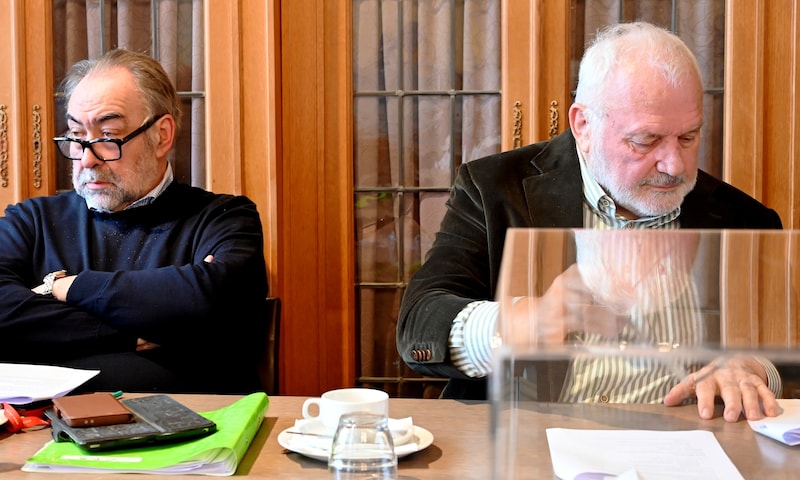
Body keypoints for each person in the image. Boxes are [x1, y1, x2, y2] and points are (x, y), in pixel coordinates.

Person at [396, 22, 784, 422]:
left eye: (688, 137)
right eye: (646, 140)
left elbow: (785, 350)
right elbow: (419, 324)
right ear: (583, 124)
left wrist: (754, 367)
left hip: (684, 441)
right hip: (527, 439)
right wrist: (528, 321)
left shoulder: (744, 218)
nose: (674, 165)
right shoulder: (494, 188)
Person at [0, 49, 268, 394]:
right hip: (41, 423)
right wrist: (125, 332)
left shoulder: (224, 218)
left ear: (162, 135)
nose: (87, 159)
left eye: (107, 137)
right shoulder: (32, 221)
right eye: (77, 137)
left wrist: (67, 288)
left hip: (192, 421)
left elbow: (214, 301)